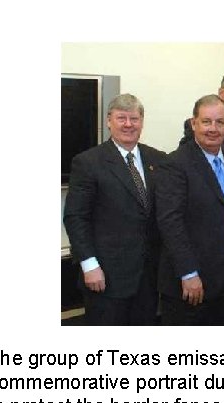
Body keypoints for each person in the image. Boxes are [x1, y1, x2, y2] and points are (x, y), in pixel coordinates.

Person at [63, 93, 165, 325]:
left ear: (142, 122)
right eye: (121, 118)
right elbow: (76, 218)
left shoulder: (157, 159)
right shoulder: (88, 162)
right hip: (106, 277)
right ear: (109, 120)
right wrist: (89, 265)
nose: (128, 124)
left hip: (149, 278)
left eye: (134, 119)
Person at [156, 95, 224, 325]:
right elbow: (171, 224)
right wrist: (188, 273)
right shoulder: (175, 164)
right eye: (206, 122)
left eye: (219, 122)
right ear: (193, 124)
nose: (213, 128)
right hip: (191, 280)